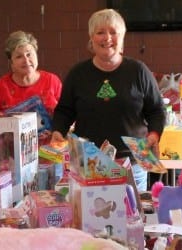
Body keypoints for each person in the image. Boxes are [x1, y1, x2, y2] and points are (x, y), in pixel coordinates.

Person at [50, 9, 166, 192]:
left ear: (122, 37)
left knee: (133, 217)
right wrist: (58, 130)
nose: (107, 38)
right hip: (89, 163)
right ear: (91, 37)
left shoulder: (139, 71)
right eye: (100, 32)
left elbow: (157, 110)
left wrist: (153, 136)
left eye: (113, 32)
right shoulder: (77, 74)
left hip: (133, 164)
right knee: (92, 216)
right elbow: (64, 110)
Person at [0, 30, 62, 162]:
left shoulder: (52, 81)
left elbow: (66, 115)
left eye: (29, 54)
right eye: (19, 57)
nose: (26, 60)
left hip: (49, 156)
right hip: (12, 160)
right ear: (11, 63)